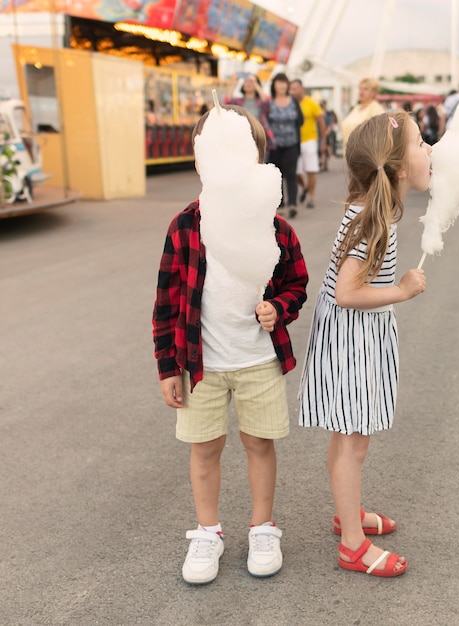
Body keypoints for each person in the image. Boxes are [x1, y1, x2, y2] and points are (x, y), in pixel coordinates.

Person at [152, 104, 309, 584]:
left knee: (259, 443)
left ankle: (263, 526)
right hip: (200, 364)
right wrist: (165, 368)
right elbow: (165, 300)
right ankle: (207, 531)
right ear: (201, 160)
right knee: (205, 448)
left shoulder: (276, 228)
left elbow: (296, 284)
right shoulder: (185, 226)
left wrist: (278, 309)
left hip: (259, 358)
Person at [298, 110, 430, 577]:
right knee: (353, 441)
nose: (429, 150)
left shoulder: (376, 211)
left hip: (357, 336)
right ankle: (352, 545)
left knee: (351, 436)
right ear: (396, 167)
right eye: (421, 143)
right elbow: (348, 292)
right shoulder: (373, 218)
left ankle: (347, 513)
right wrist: (403, 290)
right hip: (354, 339)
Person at [264, 73, 303, 218]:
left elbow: (300, 120)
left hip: (291, 143)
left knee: (291, 173)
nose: (281, 86)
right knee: (277, 175)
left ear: (287, 85)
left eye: (284, 82)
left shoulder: (293, 101)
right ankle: (280, 204)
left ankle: (293, 203)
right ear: (274, 85)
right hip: (274, 145)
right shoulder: (269, 102)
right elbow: (264, 118)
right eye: (278, 83)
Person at [289, 79, 326, 209]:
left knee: (311, 170)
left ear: (302, 88)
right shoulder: (290, 103)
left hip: (310, 140)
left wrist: (324, 141)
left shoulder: (311, 103)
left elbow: (321, 122)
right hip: (295, 142)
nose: (293, 91)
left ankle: (311, 196)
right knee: (296, 171)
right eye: (291, 88)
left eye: (295, 88)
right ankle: (304, 187)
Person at [340, 77, 385, 149]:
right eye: (360, 88)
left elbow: (380, 135)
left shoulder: (376, 109)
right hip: (349, 154)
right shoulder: (356, 108)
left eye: (365, 89)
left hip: (364, 154)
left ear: (373, 92)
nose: (361, 92)